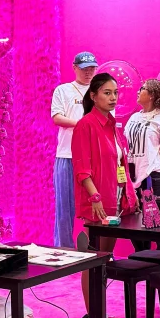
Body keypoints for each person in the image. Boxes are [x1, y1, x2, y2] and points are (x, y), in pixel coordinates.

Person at [71, 71, 130, 318]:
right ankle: (93, 316)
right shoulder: (86, 125)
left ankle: (99, 312)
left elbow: (120, 165)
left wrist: (129, 195)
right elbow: (81, 168)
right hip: (97, 201)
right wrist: (94, 197)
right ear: (94, 96)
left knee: (105, 259)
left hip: (115, 200)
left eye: (115, 93)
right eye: (107, 93)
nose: (113, 97)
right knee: (92, 260)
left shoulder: (113, 126)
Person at [51, 52, 97, 248]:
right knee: (64, 207)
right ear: (74, 67)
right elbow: (57, 117)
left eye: (92, 68)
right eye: (84, 68)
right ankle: (64, 249)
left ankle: (95, 250)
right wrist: (82, 124)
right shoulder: (63, 90)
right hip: (67, 155)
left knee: (96, 204)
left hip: (93, 158)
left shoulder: (101, 91)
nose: (88, 72)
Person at [125, 79, 160, 203]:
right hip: (133, 174)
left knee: (157, 214)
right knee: (135, 213)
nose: (138, 92)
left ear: (152, 95)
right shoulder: (134, 117)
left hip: (154, 175)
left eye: (142, 89)